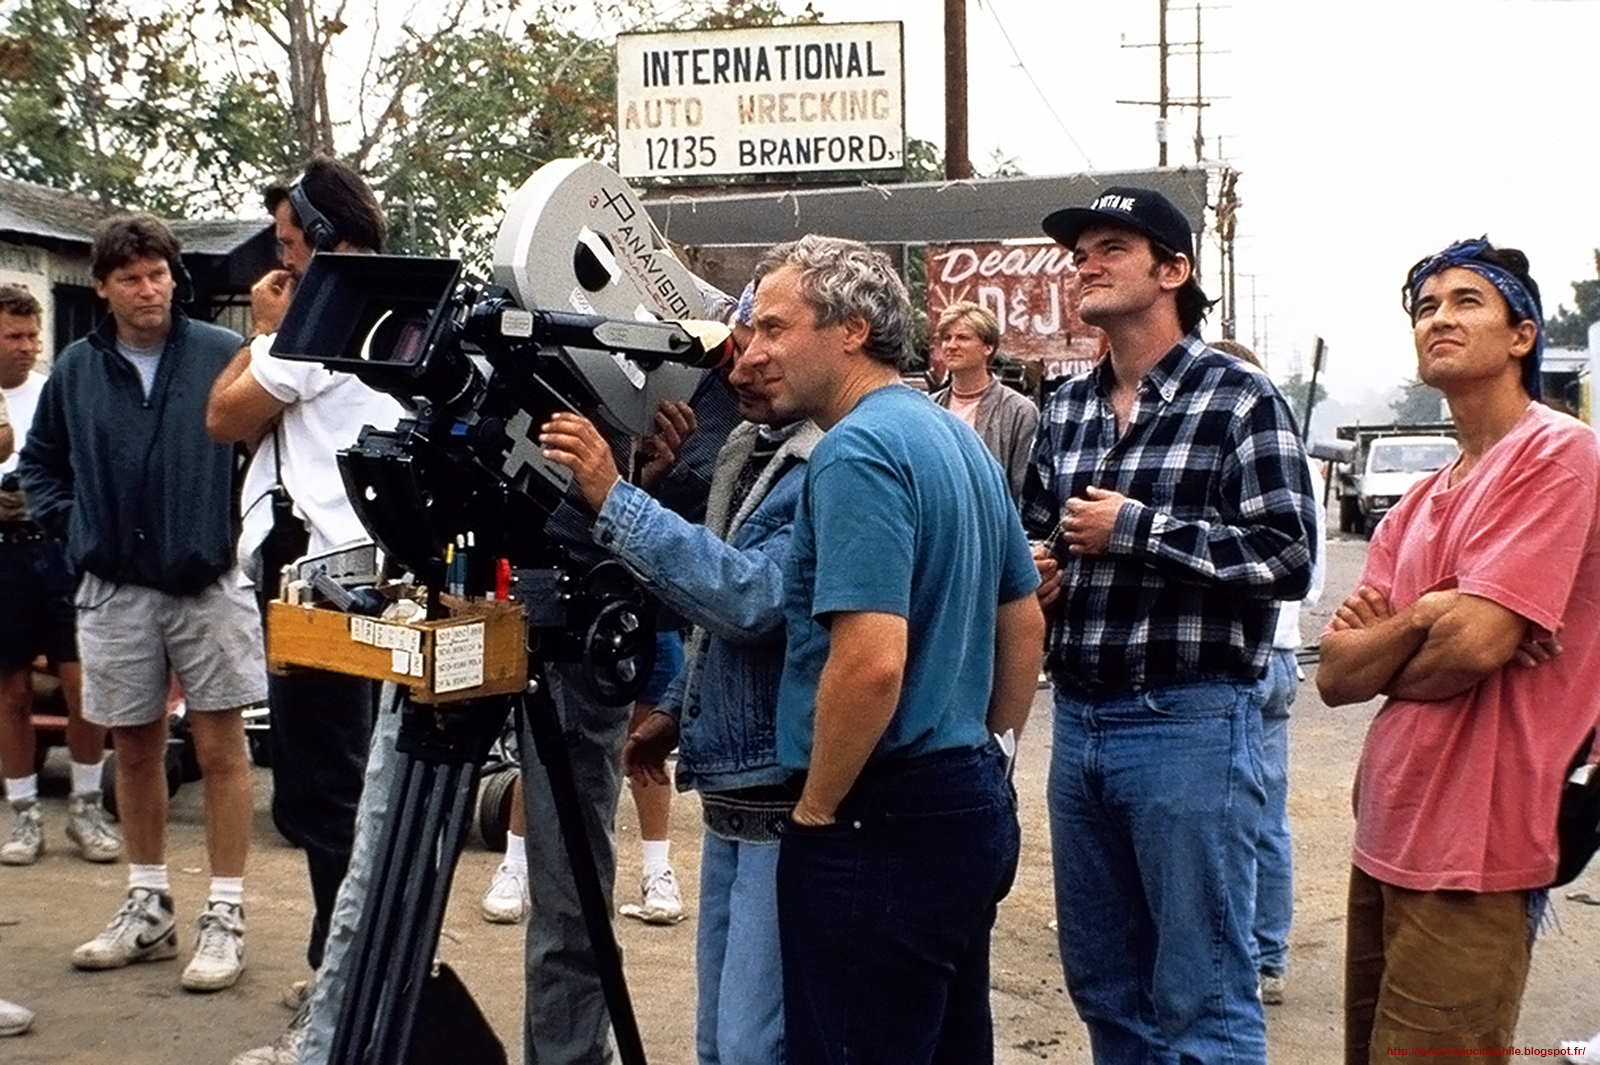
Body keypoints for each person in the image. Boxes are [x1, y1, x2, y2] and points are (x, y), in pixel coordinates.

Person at [1023, 187, 1317, 1064]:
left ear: (1175, 271)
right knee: (1105, 985)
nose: (1088, 264)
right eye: (1081, 253)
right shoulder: (1067, 407)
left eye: (1112, 247)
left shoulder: (1239, 399)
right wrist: (1043, 571)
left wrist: (1138, 529)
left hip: (1189, 718)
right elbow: (1044, 531)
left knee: (1203, 993)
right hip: (1077, 721)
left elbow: (1288, 555)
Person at [738, 234, 1043, 1064]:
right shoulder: (956, 439)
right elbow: (1024, 621)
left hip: (878, 817)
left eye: (773, 327)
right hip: (961, 800)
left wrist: (817, 811)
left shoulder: (857, 450)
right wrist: (994, 748)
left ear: (852, 328)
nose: (753, 349)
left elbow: (871, 662)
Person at [1317, 237, 1600, 1060]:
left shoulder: (1558, 455)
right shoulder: (1414, 505)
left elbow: (1474, 645)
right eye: (1426, 306)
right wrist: (1423, 617)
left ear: (1522, 334)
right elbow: (1335, 676)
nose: (1440, 316)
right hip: (1389, 826)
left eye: (1467, 299)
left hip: (1480, 839)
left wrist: (1409, 631)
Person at [535, 290, 820, 1064]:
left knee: (754, 1039)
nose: (744, 360)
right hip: (732, 789)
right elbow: (706, 594)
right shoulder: (745, 448)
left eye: (769, 334)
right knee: (720, 1039)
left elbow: (753, 599)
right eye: (743, 335)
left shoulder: (833, 454)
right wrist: (680, 706)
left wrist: (613, 494)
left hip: (782, 793)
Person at [18, 213, 267, 993]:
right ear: (104, 288)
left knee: (224, 749)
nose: (148, 288)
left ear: (172, 277)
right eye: (130, 277)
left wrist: (242, 532)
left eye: (157, 273)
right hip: (114, 588)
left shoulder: (222, 354)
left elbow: (275, 450)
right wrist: (75, 526)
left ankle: (225, 914)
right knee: (133, 746)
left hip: (208, 581)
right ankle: (148, 901)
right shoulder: (76, 371)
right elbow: (39, 465)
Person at [207, 156, 403, 1065]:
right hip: (343, 563)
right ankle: (343, 956)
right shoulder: (378, 301)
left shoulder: (323, 311)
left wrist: (264, 330)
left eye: (290, 243)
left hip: (315, 571)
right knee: (342, 782)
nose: (281, 264)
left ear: (323, 237)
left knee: (325, 793)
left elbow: (225, 415)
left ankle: (342, 989)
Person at [1211, 336, 1327, 1006]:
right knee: (1265, 814)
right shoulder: (1298, 460)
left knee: (1233, 816)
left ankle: (1253, 953)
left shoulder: (1251, 443)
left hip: (1251, 655)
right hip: (1280, 652)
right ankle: (1267, 954)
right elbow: (1308, 582)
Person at [0, 282, 120, 867]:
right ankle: (23, 817)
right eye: (13, 336)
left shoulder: (53, 393)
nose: (27, 347)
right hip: (2, 559)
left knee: (83, 687)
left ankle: (86, 807)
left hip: (57, 552)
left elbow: (78, 469)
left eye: (32, 335)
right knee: (12, 691)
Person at [927, 300, 1039, 504]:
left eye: (962, 338)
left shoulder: (1019, 411)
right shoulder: (928, 408)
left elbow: (1024, 491)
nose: (951, 345)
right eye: (946, 338)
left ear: (988, 346)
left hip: (995, 529)